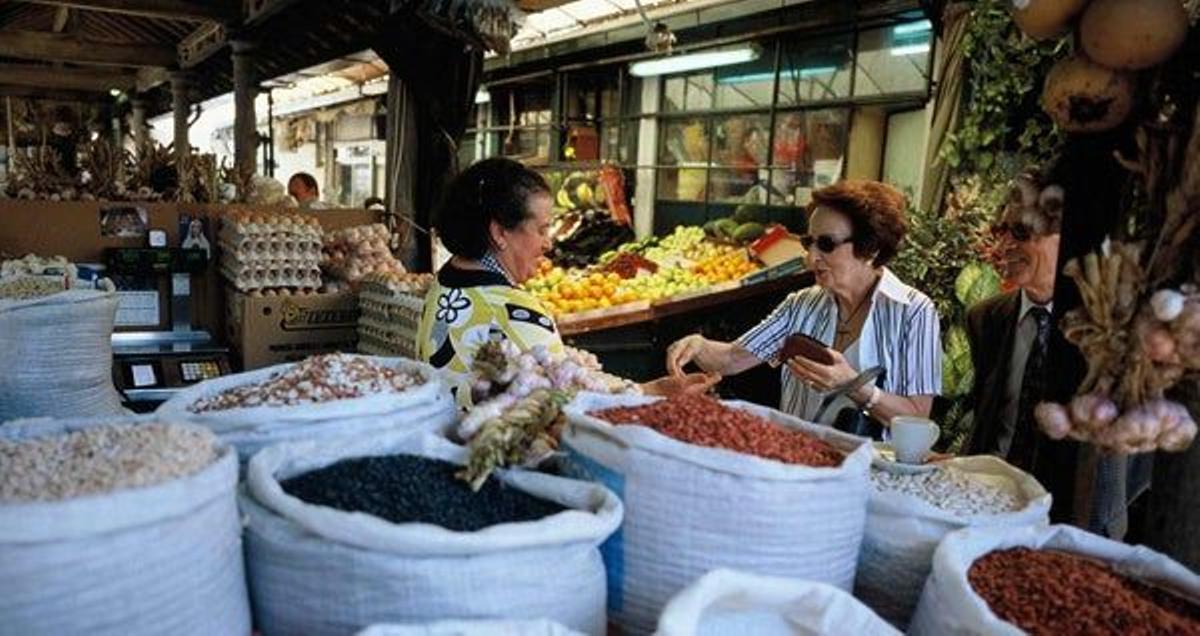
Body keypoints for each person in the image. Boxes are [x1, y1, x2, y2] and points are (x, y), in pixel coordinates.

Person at [417, 157, 712, 404]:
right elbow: (570, 401)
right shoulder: (512, 310)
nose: (548, 244)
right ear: (499, 233)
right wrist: (651, 391)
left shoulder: (443, 283)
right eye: (542, 229)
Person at [666, 180, 942, 430]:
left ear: (871, 249)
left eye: (826, 244)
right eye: (808, 242)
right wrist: (699, 346)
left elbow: (917, 418)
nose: (811, 258)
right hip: (799, 461)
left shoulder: (913, 312)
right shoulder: (800, 305)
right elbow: (732, 358)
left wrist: (854, 386)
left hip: (869, 471)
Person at [964, 169, 1142, 537]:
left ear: (1066, 238)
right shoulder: (986, 318)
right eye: (1002, 231)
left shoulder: (1109, 327)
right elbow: (989, 413)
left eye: (1022, 233)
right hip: (990, 504)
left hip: (1072, 519)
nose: (1006, 246)